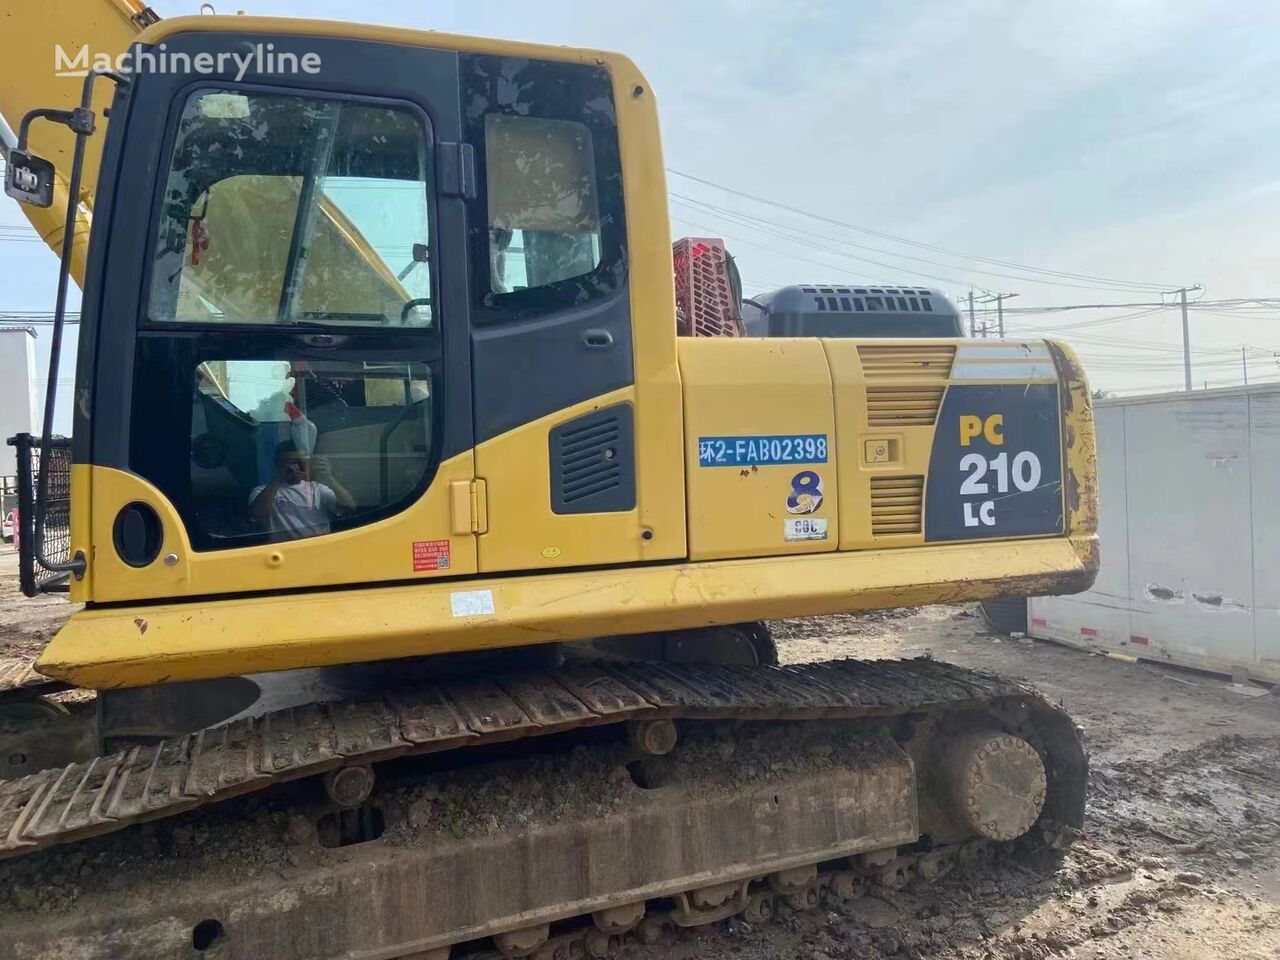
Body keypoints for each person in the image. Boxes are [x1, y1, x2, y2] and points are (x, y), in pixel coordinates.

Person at [249, 443, 354, 540]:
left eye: (299, 462)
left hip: (318, 547)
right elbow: (257, 515)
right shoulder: (262, 491)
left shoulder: (318, 489)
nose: (294, 467)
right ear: (277, 464)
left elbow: (349, 506)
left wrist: (329, 478)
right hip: (283, 551)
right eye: (288, 462)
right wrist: (279, 479)